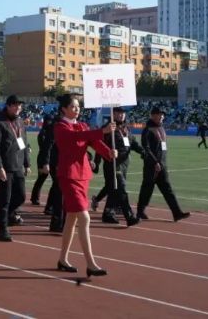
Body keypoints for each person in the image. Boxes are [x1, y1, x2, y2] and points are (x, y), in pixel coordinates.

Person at [53, 94, 115, 277]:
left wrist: (109, 152)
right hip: (69, 176)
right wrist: (102, 131)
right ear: (64, 109)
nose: (77, 109)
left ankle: (63, 259)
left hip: (83, 175)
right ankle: (90, 263)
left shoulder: (82, 125)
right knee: (84, 217)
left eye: (78, 106)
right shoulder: (60, 127)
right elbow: (75, 137)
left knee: (71, 218)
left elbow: (94, 142)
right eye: (73, 106)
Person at [136, 107, 190, 222]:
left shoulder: (161, 128)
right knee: (147, 189)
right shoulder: (147, 130)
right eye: (159, 114)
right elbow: (146, 148)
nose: (161, 116)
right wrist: (155, 162)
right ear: (152, 116)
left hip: (162, 165)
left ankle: (177, 213)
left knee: (168, 190)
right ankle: (140, 211)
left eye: (162, 115)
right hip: (151, 166)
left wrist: (162, 163)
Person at [0, 95, 31, 242]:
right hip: (5, 167)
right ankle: (3, 229)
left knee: (21, 196)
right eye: (15, 105)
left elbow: (24, 143)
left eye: (20, 105)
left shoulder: (20, 122)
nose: (18, 108)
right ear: (8, 106)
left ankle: (4, 216)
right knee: (4, 199)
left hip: (18, 166)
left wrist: (27, 163)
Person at [94, 107, 142, 226]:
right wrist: (96, 163)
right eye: (118, 113)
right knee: (121, 188)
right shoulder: (107, 128)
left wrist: (142, 151)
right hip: (112, 164)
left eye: (123, 113)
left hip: (124, 164)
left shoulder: (126, 128)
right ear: (113, 114)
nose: (121, 115)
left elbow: (133, 143)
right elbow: (99, 145)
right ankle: (129, 217)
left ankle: (108, 214)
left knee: (113, 189)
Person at [31, 113, 55, 207]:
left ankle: (35, 197)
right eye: (49, 121)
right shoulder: (44, 133)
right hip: (43, 158)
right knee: (41, 178)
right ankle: (35, 197)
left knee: (42, 179)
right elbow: (45, 148)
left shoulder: (46, 132)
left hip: (47, 157)